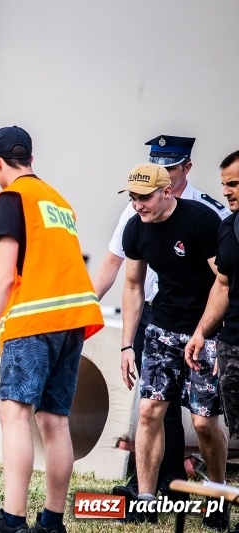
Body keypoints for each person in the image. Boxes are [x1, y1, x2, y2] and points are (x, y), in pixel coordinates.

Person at [0, 126, 103, 533]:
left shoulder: (10, 198)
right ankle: (52, 522)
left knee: (14, 413)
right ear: (30, 160)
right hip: (72, 320)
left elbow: (6, 277)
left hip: (34, 318)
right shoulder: (58, 200)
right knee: (55, 420)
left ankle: (12, 520)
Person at [92, 135, 229, 501]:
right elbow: (133, 286)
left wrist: (204, 332)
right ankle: (147, 498)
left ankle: (218, 494)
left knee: (203, 422)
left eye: (145, 197)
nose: (137, 205)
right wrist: (126, 345)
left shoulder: (202, 220)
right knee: (150, 411)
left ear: (167, 192)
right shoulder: (137, 226)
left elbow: (224, 282)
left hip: (206, 331)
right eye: (133, 198)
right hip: (162, 328)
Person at [185, 149, 239, 533]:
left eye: (234, 183)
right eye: (224, 184)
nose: (226, 192)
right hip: (232, 342)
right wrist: (202, 333)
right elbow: (222, 284)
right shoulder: (228, 226)